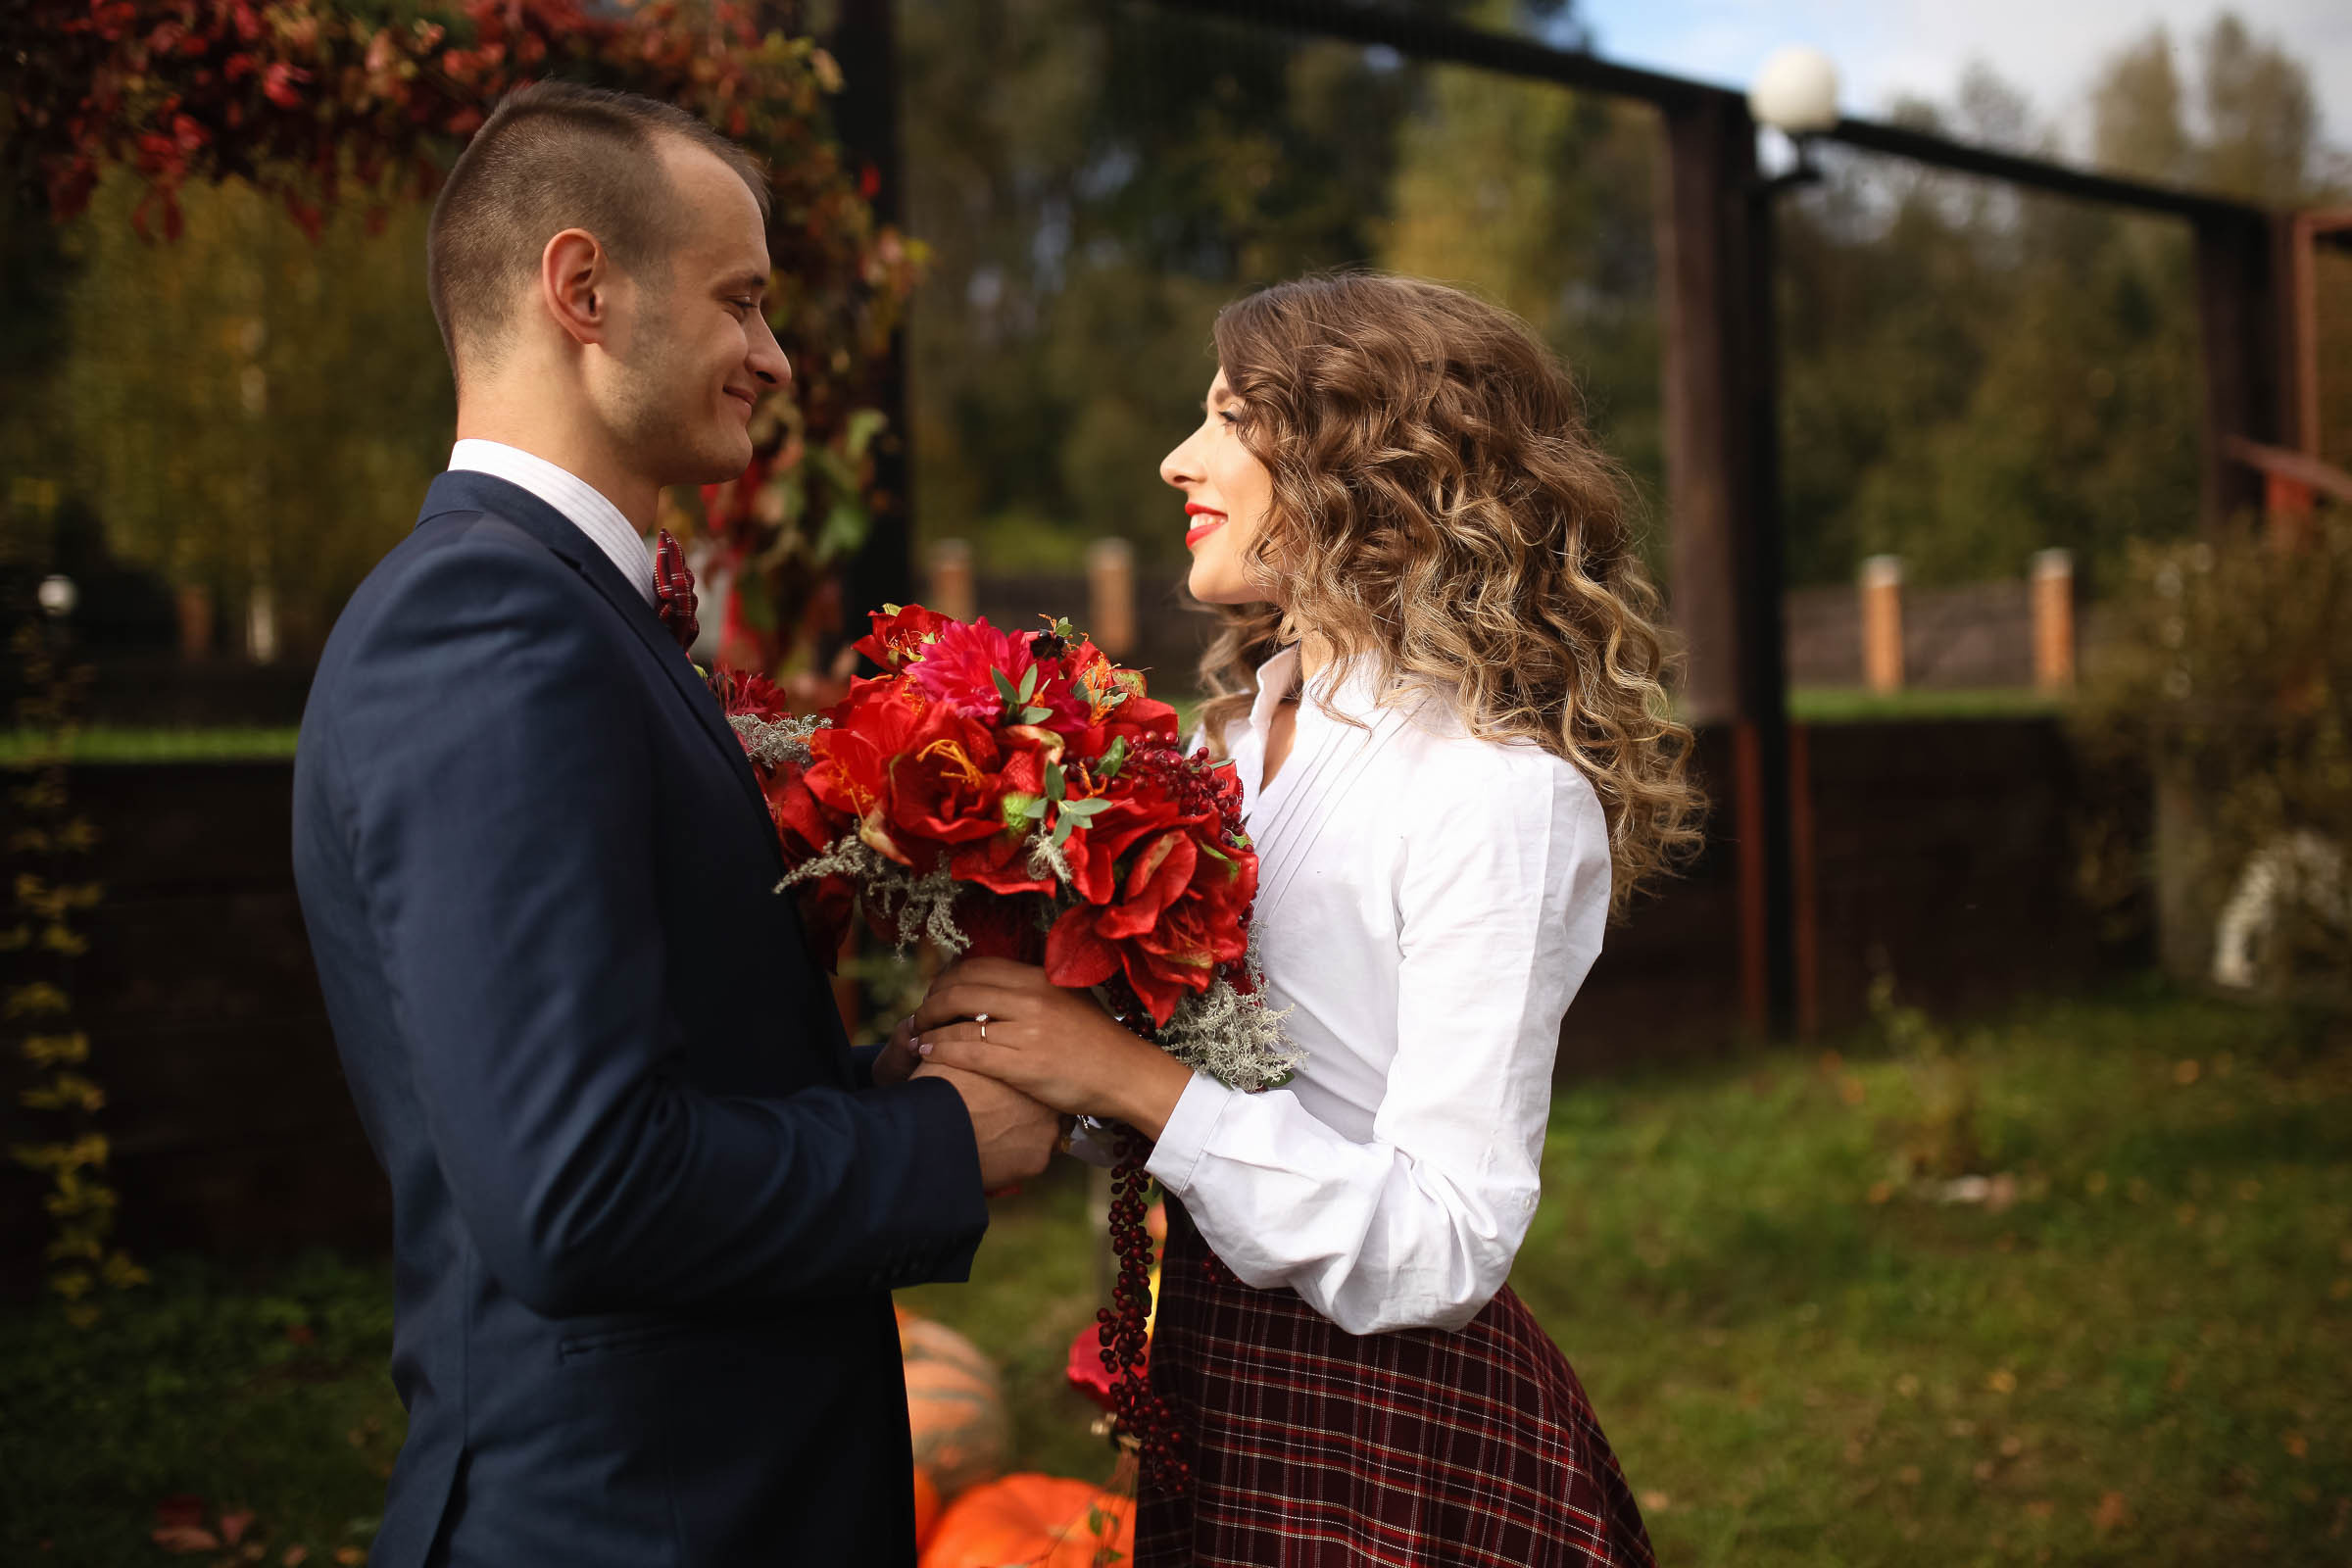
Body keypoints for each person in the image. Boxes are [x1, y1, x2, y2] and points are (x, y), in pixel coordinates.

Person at [290, 82, 1057, 1568]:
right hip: (624, 1522)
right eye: (742, 302)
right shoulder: (485, 625)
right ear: (584, 288)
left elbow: (647, 1075)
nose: (773, 356)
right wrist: (936, 1144)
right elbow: (581, 1193)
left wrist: (895, 1073)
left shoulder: (569, 613)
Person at [903, 271, 1702, 1566]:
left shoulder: (1495, 794)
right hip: (1219, 1372)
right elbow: (1230, 1076)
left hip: (1394, 1424)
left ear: (1361, 463)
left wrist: (1121, 1073)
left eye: (1228, 417)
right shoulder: (1215, 752)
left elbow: (1448, 1236)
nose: (1178, 459)